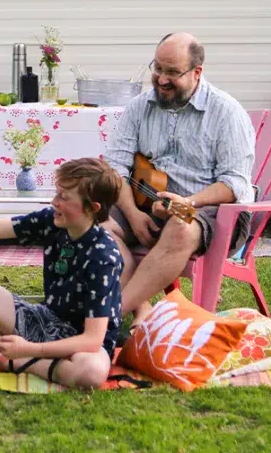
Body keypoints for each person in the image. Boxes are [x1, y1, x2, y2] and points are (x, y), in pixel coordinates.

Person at [103, 32, 255, 328]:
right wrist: (133, 215)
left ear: (197, 73)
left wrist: (189, 202)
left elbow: (234, 184)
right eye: (157, 68)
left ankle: (109, 315)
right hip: (146, 204)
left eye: (172, 72)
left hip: (210, 209)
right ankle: (142, 308)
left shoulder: (226, 113)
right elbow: (115, 167)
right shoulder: (139, 107)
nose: (161, 79)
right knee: (96, 223)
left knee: (181, 227)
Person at [0, 158, 124, 389]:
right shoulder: (51, 221)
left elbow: (92, 340)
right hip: (45, 322)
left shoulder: (104, 256)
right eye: (57, 193)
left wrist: (27, 350)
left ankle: (20, 363)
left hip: (83, 346)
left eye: (64, 197)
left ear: (92, 208)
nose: (54, 201)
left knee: (91, 372)